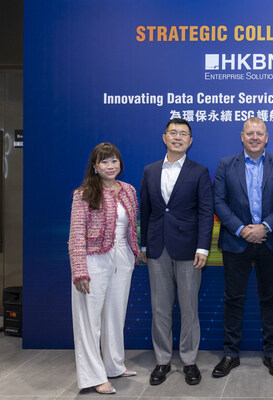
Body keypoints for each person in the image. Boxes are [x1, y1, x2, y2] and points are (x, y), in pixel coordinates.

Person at [212, 117, 273, 378]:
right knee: (233, 299)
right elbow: (219, 202)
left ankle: (272, 353)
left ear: (266, 137)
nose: (254, 137)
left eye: (259, 133)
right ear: (242, 136)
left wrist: (264, 227)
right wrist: (242, 229)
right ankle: (230, 354)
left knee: (270, 299)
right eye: (249, 133)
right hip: (236, 241)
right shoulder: (226, 164)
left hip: (269, 241)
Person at [140, 118, 214, 386]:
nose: (178, 137)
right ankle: (162, 361)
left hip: (189, 249)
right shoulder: (150, 171)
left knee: (189, 308)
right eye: (173, 133)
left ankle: (189, 361)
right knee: (159, 308)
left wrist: (203, 247)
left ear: (190, 141)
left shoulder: (199, 171)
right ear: (164, 137)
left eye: (183, 134)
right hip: (157, 247)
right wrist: (144, 245)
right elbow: (146, 209)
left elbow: (206, 212)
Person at [69, 142, 139, 395]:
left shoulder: (129, 190)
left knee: (116, 313)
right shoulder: (84, 193)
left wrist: (134, 252)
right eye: (104, 161)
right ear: (95, 166)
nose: (110, 166)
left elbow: (132, 226)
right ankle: (93, 376)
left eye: (114, 161)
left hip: (123, 256)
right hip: (93, 258)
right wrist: (79, 269)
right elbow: (76, 233)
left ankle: (114, 365)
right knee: (89, 319)